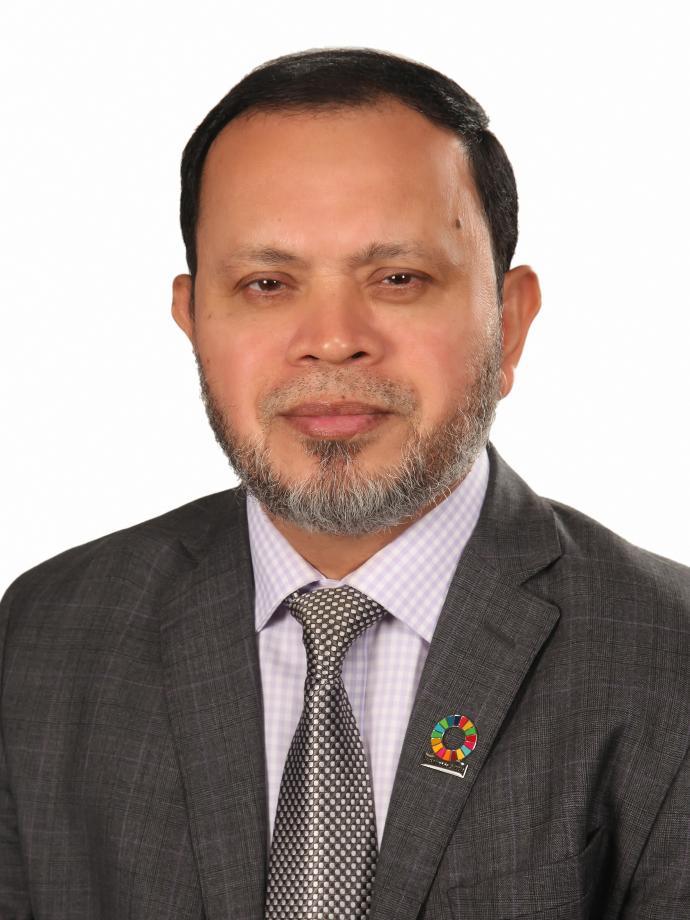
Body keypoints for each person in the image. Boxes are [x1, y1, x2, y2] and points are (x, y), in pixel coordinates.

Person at [1, 46, 688, 920]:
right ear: (193, 322)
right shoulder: (44, 637)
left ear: (509, 324)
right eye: (266, 283)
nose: (331, 339)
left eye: (398, 279)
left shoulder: (668, 657)